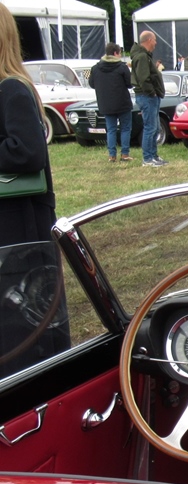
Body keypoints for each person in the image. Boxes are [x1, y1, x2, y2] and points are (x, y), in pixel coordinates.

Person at [0, 1, 69, 373]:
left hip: (21, 225)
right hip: (11, 223)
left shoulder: (11, 88)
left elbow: (27, 151)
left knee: (29, 318)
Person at [90, 42, 133, 163]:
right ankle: (125, 154)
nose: (120, 56)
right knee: (125, 128)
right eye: (120, 53)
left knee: (111, 129)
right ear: (115, 53)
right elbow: (129, 84)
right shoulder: (122, 67)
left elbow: (92, 84)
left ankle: (112, 155)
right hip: (122, 102)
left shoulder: (96, 68)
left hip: (106, 103)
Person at [130, 31, 168, 167]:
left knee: (155, 127)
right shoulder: (141, 57)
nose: (156, 43)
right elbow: (143, 78)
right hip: (146, 97)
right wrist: (152, 92)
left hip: (150, 96)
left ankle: (154, 156)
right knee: (150, 128)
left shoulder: (145, 56)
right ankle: (147, 159)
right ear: (149, 40)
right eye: (155, 40)